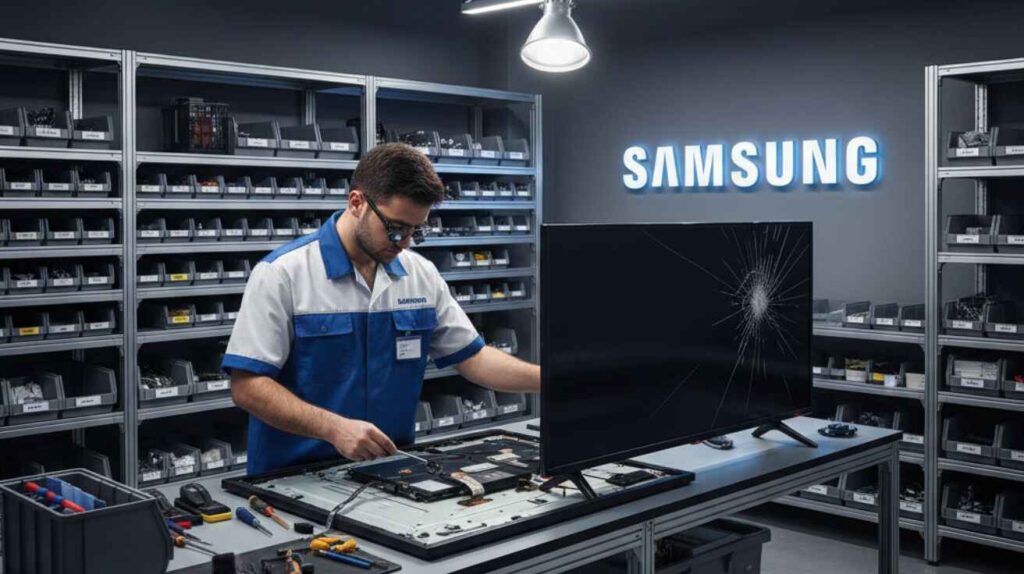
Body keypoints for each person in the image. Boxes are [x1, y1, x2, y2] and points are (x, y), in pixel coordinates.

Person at [222, 143, 540, 474]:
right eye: (395, 227)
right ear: (356, 202)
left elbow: (473, 358)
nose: (404, 242)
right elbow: (247, 387)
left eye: (416, 231)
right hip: (293, 475)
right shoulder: (284, 273)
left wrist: (553, 379)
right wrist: (334, 428)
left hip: (393, 467)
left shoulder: (420, 274)